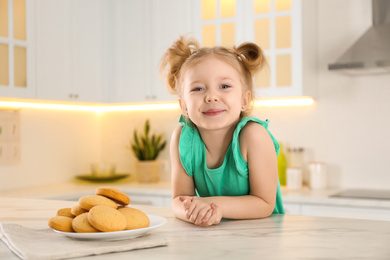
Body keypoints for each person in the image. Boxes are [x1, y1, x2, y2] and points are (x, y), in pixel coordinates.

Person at [160, 36, 284, 227]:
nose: (211, 97)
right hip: (213, 236)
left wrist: (212, 205)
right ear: (183, 105)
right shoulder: (182, 138)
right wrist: (196, 212)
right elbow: (179, 200)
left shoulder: (254, 136)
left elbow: (264, 204)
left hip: (261, 237)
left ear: (245, 100)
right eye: (198, 88)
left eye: (224, 86)